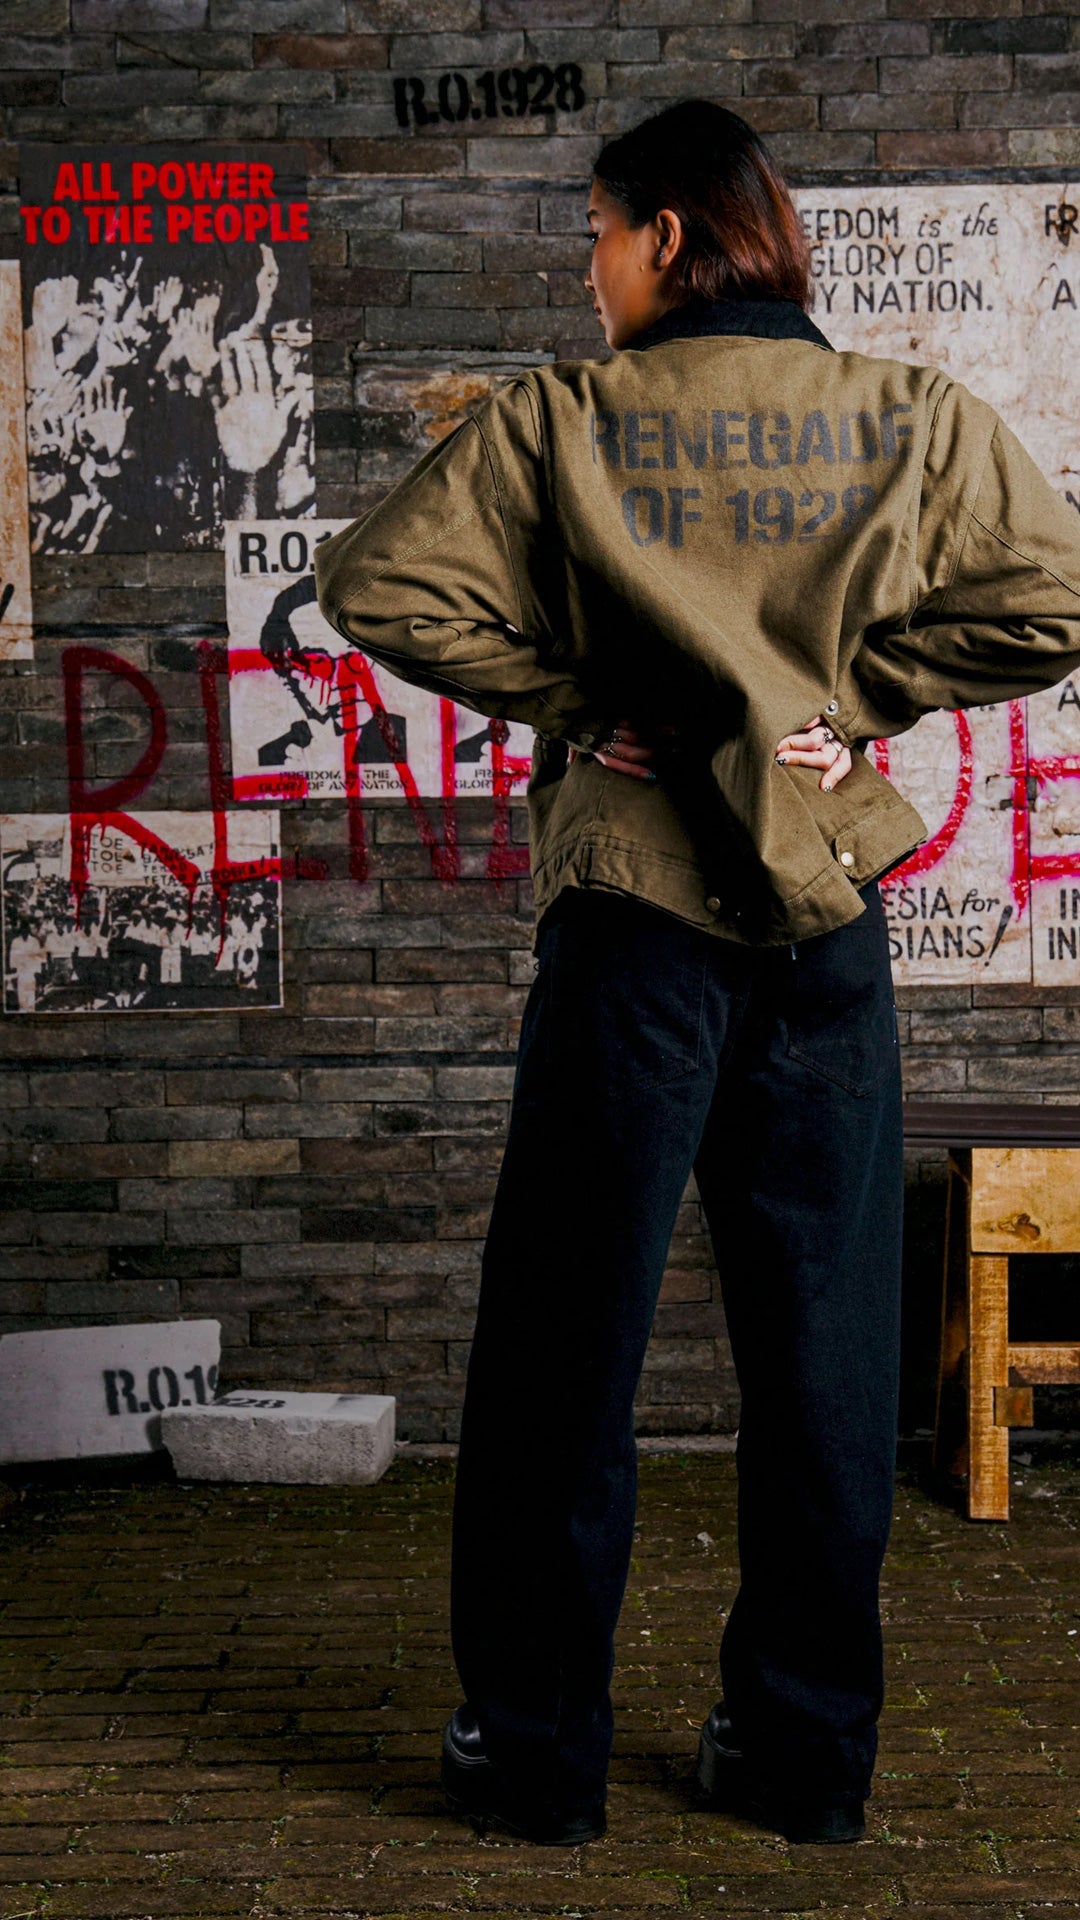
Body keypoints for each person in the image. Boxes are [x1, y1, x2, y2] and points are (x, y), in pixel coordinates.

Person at [314, 101, 1080, 1849]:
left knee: (563, 1343)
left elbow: (375, 587)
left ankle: (536, 1755)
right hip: (822, 925)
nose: (587, 274)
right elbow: (1053, 604)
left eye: (595, 233)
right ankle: (803, 1760)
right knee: (826, 1353)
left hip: (631, 930)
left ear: (666, 233)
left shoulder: (562, 422)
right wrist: (844, 710)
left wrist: (583, 701)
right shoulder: (908, 416)